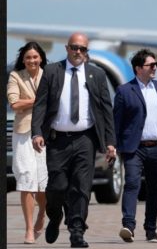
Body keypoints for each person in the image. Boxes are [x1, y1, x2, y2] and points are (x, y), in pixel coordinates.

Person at [31, 32, 117, 248]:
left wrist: (109, 141)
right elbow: (40, 104)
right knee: (57, 187)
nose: (78, 52)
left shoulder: (96, 75)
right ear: (67, 48)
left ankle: (77, 231)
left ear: (87, 52)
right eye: (74, 48)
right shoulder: (52, 71)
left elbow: (106, 109)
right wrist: (37, 132)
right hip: (57, 140)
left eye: (83, 49)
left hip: (85, 140)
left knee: (81, 187)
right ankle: (55, 216)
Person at [114, 49, 157, 243]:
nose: (155, 68)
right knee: (132, 184)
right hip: (134, 148)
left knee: (154, 189)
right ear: (138, 69)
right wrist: (113, 145)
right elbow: (117, 121)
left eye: (156, 65)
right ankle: (128, 225)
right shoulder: (124, 91)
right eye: (150, 65)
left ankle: (151, 229)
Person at [7, 42, 48, 244]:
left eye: (35, 57)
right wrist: (40, 99)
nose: (32, 60)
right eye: (28, 57)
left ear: (41, 58)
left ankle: (42, 214)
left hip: (47, 133)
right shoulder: (16, 76)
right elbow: (15, 104)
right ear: (23, 59)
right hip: (23, 133)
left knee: (43, 181)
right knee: (26, 180)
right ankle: (29, 229)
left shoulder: (49, 74)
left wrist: (30, 101)